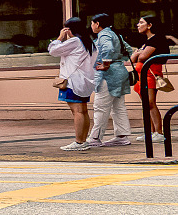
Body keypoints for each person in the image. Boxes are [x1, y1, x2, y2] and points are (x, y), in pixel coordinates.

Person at [85, 11, 133, 148]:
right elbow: (129, 50)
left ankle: (95, 137)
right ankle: (122, 136)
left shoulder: (103, 34)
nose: (91, 26)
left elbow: (108, 48)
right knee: (118, 106)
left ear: (97, 24)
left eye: (92, 23)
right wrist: (117, 60)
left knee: (100, 106)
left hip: (108, 75)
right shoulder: (115, 34)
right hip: (120, 71)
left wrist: (106, 63)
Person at [49, 16, 96, 150]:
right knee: (83, 111)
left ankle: (79, 142)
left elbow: (53, 50)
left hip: (73, 82)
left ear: (69, 29)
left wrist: (59, 38)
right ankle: (83, 140)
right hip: (84, 81)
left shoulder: (75, 41)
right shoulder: (88, 41)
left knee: (77, 111)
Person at [129, 13, 175, 144]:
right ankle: (150, 132)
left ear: (149, 25)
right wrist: (138, 53)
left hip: (151, 74)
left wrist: (138, 53)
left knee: (150, 103)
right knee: (145, 104)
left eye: (141, 23)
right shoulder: (147, 41)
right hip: (141, 75)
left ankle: (158, 132)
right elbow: (133, 58)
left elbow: (142, 57)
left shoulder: (156, 39)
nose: (138, 25)